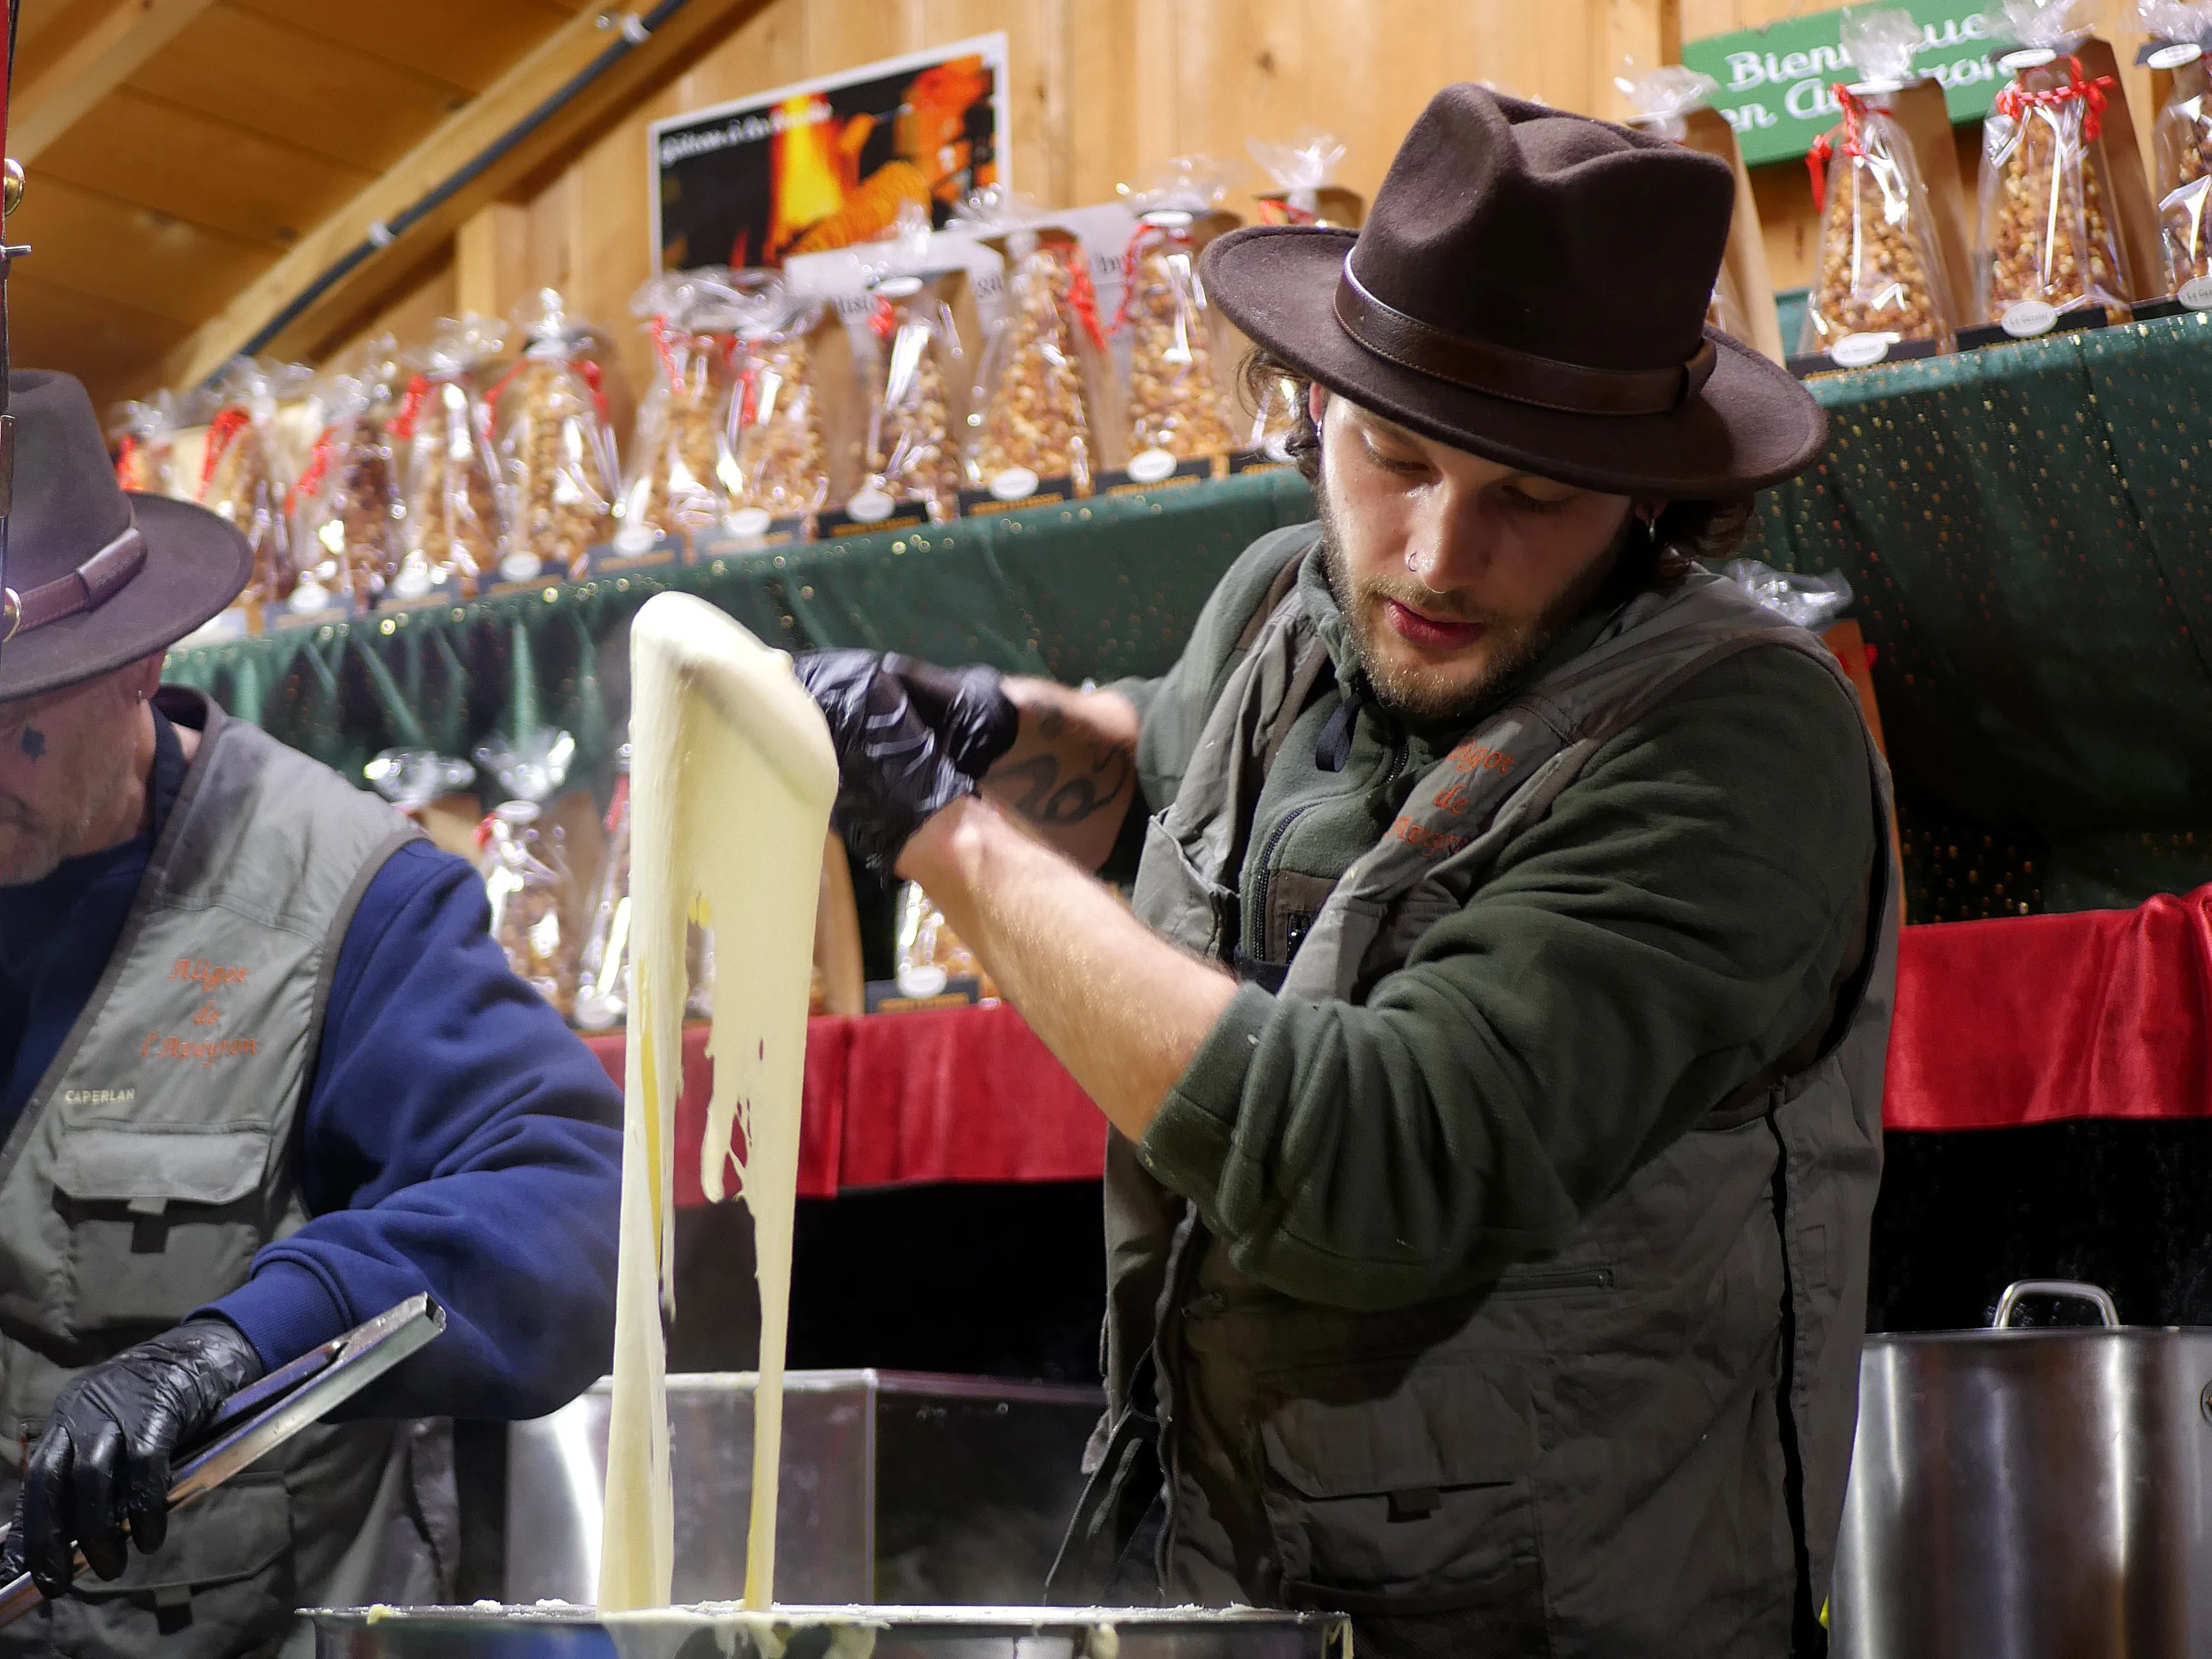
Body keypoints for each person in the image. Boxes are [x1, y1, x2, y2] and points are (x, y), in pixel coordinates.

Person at [797, 87, 1890, 1658]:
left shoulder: (1739, 740)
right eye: (1394, 456)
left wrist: (946, 843)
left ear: (1651, 500)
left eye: (1530, 497)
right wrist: (983, 732)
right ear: (1315, 407)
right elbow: (1170, 780)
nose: (1439, 555)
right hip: (1227, 1590)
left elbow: (1380, 1168)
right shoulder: (1282, 605)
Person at [0, 371, 623, 1656]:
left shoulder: (341, 900)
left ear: (138, 665)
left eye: (15, 730)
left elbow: (571, 1197)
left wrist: (240, 1344)